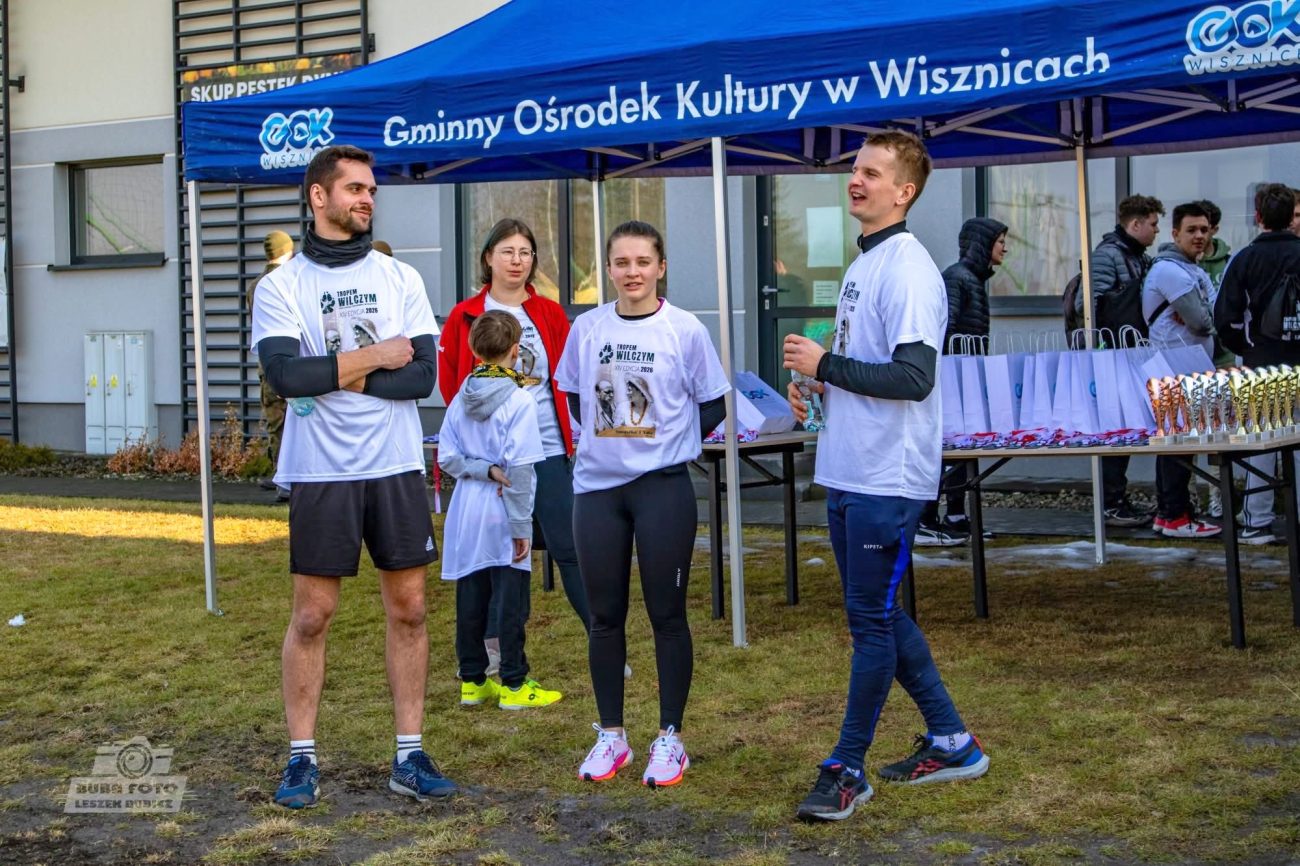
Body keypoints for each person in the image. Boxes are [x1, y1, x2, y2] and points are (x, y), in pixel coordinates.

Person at [784, 131, 988, 823]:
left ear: (905, 191)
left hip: (887, 478)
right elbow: (866, 367)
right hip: (849, 467)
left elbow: (913, 377)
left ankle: (846, 768)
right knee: (878, 614)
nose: (856, 180)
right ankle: (953, 742)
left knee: (870, 623)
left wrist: (826, 366)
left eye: (872, 173)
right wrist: (819, 388)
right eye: (855, 169)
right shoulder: (866, 261)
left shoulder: (909, 269)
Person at [251, 144, 452, 808]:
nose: (367, 199)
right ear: (319, 196)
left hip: (393, 465)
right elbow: (287, 376)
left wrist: (339, 372)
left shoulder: (400, 278)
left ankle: (409, 755)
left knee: (411, 608)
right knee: (312, 615)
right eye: (355, 189)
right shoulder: (282, 286)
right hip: (321, 470)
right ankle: (301, 759)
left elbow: (421, 378)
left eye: (371, 190)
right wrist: (376, 356)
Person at [555, 220, 729, 788]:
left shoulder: (685, 329)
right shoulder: (587, 328)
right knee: (604, 617)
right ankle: (612, 736)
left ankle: (670, 738)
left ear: (661, 268)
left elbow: (713, 403)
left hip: (662, 490)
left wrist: (667, 444)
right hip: (597, 491)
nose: (632, 272)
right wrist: (612, 441)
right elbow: (574, 397)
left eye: (643, 262)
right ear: (608, 269)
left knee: (667, 614)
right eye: (622, 262)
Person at [438, 218, 594, 677]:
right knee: (493, 555)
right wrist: (480, 446)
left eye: (525, 252)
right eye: (507, 251)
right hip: (488, 461)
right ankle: (491, 651)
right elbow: (452, 386)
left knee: (569, 545)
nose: (516, 261)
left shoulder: (549, 313)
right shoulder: (464, 315)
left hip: (545, 447)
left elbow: (566, 377)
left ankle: (602, 637)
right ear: (488, 258)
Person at [439, 311, 561, 710]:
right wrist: (521, 524)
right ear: (515, 350)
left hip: (467, 508)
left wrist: (480, 469)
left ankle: (473, 680)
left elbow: (447, 457)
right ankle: (513, 682)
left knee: (471, 595)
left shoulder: (461, 397)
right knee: (511, 598)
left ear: (473, 349)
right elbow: (521, 468)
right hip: (502, 508)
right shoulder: (520, 400)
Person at [1215, 182, 1300, 545]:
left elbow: (1224, 316)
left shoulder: (1245, 258)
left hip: (1260, 364)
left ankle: (1256, 522)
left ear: (1258, 216)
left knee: (1261, 444)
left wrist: (1245, 348)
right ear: (1292, 216)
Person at [1075, 194, 1166, 528]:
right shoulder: (1108, 255)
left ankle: (1116, 498)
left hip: (1130, 353)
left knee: (1127, 428)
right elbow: (1088, 306)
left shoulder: (1137, 256)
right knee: (1115, 429)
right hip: (1111, 356)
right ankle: (1110, 502)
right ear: (1135, 224)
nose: (1157, 231)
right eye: (1153, 224)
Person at [917, 217, 1008, 546]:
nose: (1005, 248)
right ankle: (925, 519)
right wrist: (952, 373)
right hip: (954, 379)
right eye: (1000, 241)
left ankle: (956, 516)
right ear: (983, 244)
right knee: (946, 448)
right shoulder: (957, 278)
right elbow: (945, 328)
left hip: (966, 376)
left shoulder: (972, 279)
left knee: (965, 445)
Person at [1142, 202, 1222, 539]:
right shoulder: (1170, 272)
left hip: (1185, 368)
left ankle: (1170, 514)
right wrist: (1203, 313)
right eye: (1191, 230)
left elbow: (1213, 312)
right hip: (1174, 369)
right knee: (1177, 444)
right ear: (1175, 234)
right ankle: (1175, 515)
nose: (1199, 235)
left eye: (1204, 229)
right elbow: (1204, 322)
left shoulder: (1191, 270)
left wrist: (1202, 311)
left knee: (1178, 443)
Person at [249, 230, 294, 502]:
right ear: (287, 250)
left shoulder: (256, 285)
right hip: (296, 364)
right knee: (299, 421)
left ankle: (281, 475)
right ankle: (291, 478)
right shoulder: (291, 281)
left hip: (267, 366)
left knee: (276, 422)